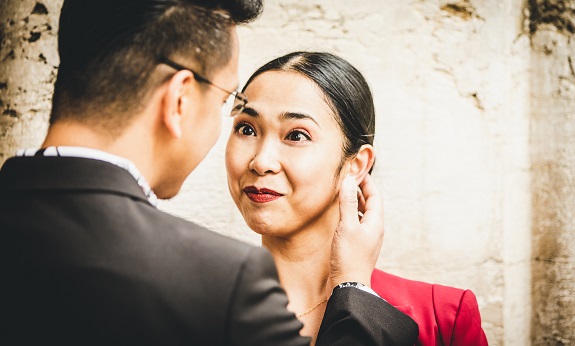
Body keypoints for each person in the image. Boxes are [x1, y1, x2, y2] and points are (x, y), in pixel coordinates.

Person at [0, 1, 419, 345]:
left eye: (295, 134)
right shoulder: (218, 286)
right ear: (180, 99)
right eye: (236, 113)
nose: (260, 161)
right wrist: (354, 288)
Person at [225, 51, 489, 345]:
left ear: (357, 164)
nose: (261, 162)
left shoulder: (442, 318)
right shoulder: (189, 307)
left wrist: (353, 290)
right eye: (246, 129)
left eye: (296, 135)